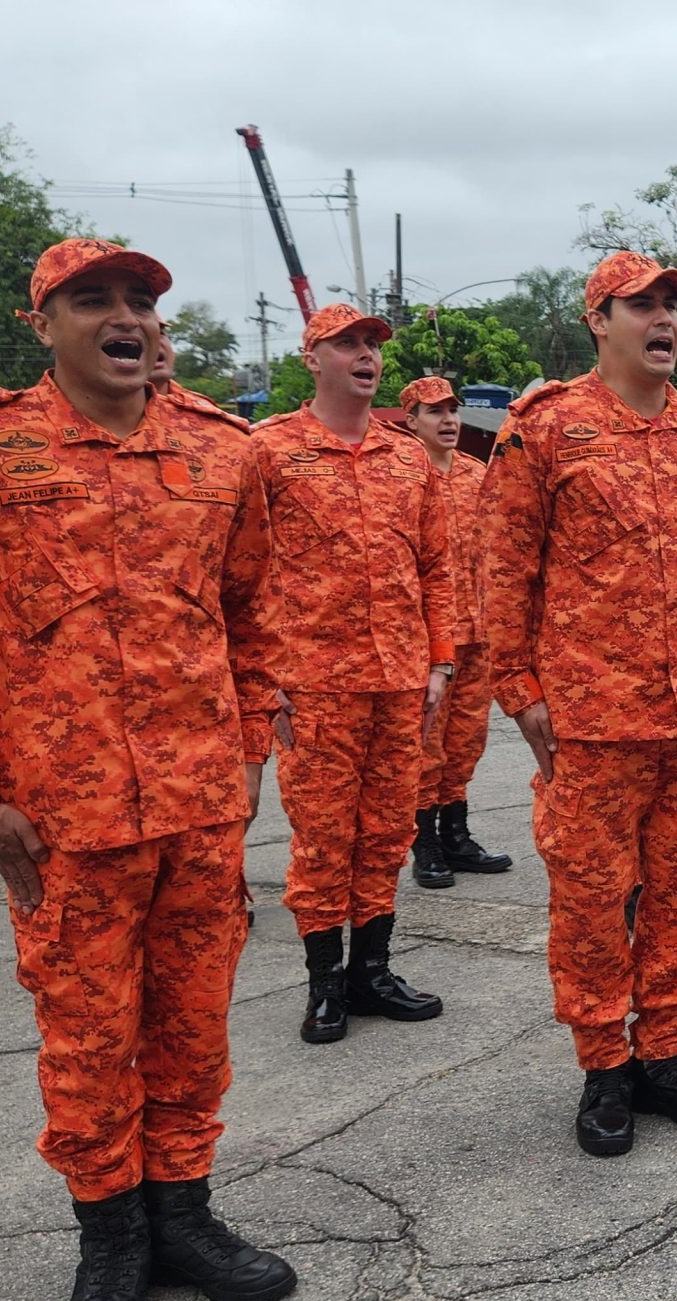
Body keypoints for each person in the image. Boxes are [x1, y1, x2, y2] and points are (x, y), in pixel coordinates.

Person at [0, 237, 295, 1301]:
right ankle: (109, 1240)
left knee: (191, 1028)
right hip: (61, 817)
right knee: (86, 1036)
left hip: (202, 804)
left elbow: (256, 615)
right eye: (93, 300)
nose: (124, 319)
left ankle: (186, 1219)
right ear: (45, 323)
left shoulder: (223, 451)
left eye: (139, 301)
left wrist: (248, 748)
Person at [482, 249, 677, 1157]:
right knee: (593, 900)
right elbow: (505, 569)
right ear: (599, 320)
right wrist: (519, 692)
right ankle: (604, 1064)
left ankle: (664, 1053)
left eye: (672, 304)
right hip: (592, 720)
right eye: (642, 304)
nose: (663, 318)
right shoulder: (546, 430)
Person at [244, 303, 454, 1045]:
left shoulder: (407, 457)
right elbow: (242, 574)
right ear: (312, 355)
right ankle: (324, 982)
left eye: (373, 344)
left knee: (387, 830)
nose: (367, 354)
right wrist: (263, 681)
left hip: (399, 677)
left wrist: (440, 658)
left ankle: (373, 968)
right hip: (311, 683)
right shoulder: (267, 450)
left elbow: (435, 565)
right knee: (323, 837)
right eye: (349, 343)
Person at [399, 377, 513, 885]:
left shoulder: (476, 475)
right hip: (428, 638)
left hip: (479, 630)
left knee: (467, 740)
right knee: (426, 745)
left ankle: (456, 835)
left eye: (452, 411)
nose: (447, 421)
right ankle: (423, 844)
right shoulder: (403, 475)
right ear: (411, 420)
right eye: (433, 412)